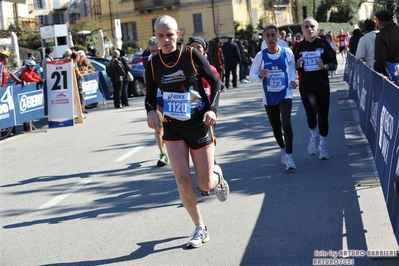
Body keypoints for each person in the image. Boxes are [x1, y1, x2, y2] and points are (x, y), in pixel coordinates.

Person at [144, 15, 229, 249]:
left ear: (178, 34)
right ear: (155, 37)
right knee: (182, 181)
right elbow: (150, 97)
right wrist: (151, 112)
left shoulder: (191, 55)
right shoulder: (152, 63)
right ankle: (200, 227)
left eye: (169, 35)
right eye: (160, 36)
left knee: (204, 185)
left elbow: (216, 83)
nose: (165, 40)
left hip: (198, 123)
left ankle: (217, 176)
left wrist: (213, 109)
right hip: (172, 126)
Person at [249, 25, 297, 170]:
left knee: (286, 123)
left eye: (273, 35)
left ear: (278, 37)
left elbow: (292, 70)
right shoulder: (260, 56)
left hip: (285, 94)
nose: (271, 38)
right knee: (276, 127)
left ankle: (289, 156)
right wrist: (259, 76)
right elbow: (251, 76)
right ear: (264, 38)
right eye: (268, 36)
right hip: (269, 97)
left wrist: (293, 81)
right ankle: (282, 148)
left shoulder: (287, 52)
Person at [292, 17, 338, 160]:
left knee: (323, 116)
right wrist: (297, 65)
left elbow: (334, 63)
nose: (309, 29)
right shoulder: (298, 47)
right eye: (306, 26)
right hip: (306, 86)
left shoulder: (324, 44)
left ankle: (323, 146)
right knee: (311, 115)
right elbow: (290, 66)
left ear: (317, 29)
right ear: (302, 30)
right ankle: (314, 135)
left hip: (322, 86)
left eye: (312, 26)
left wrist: (324, 66)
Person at [142, 37, 169, 167]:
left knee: (173, 125)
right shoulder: (149, 60)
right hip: (157, 96)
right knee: (158, 125)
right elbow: (145, 73)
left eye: (157, 51)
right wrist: (147, 87)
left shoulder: (170, 57)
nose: (155, 54)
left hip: (171, 95)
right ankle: (163, 154)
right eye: (152, 51)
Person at [373, 10, 399, 81]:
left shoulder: (382, 36)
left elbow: (380, 59)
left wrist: (378, 70)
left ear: (379, 21)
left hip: (393, 73)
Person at [20, 59, 44, 129]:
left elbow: (35, 76)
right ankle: (26, 126)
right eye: (31, 66)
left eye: (33, 66)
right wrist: (38, 81)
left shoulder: (31, 71)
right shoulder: (24, 72)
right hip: (23, 93)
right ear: (27, 66)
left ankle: (31, 125)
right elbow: (30, 79)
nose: (33, 68)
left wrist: (40, 80)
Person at [70, 52, 86, 117]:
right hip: (77, 83)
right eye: (78, 57)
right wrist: (81, 75)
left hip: (74, 83)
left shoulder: (72, 63)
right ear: (76, 57)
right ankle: (81, 112)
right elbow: (77, 74)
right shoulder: (73, 64)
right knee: (80, 96)